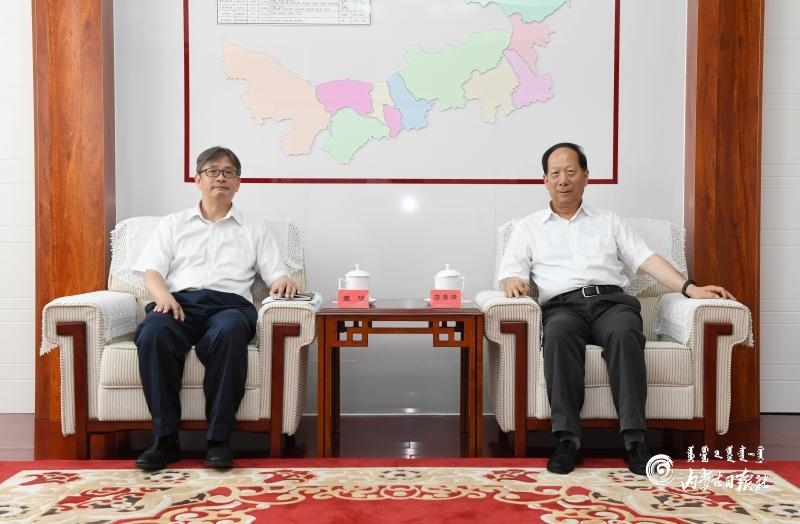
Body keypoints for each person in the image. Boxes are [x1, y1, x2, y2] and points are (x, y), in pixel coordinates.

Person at [497, 142, 735, 475]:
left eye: (571, 171)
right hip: (562, 307)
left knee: (625, 333)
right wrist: (512, 282)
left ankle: (635, 441)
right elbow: (512, 271)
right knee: (558, 336)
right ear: (545, 181)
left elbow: (646, 258)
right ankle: (567, 441)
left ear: (586, 176)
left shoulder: (609, 221)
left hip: (611, 303)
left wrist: (689, 288)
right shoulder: (529, 227)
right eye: (555, 173)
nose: (563, 180)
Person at [132, 146, 297, 471]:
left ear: (238, 183)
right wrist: (164, 297)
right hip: (179, 304)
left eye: (228, 172)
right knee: (153, 332)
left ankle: (218, 440)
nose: (220, 177)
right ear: (198, 179)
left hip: (229, 307)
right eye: (212, 171)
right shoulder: (173, 224)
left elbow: (276, 273)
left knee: (230, 331)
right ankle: (165, 440)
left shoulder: (254, 229)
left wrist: (283, 281)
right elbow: (151, 271)